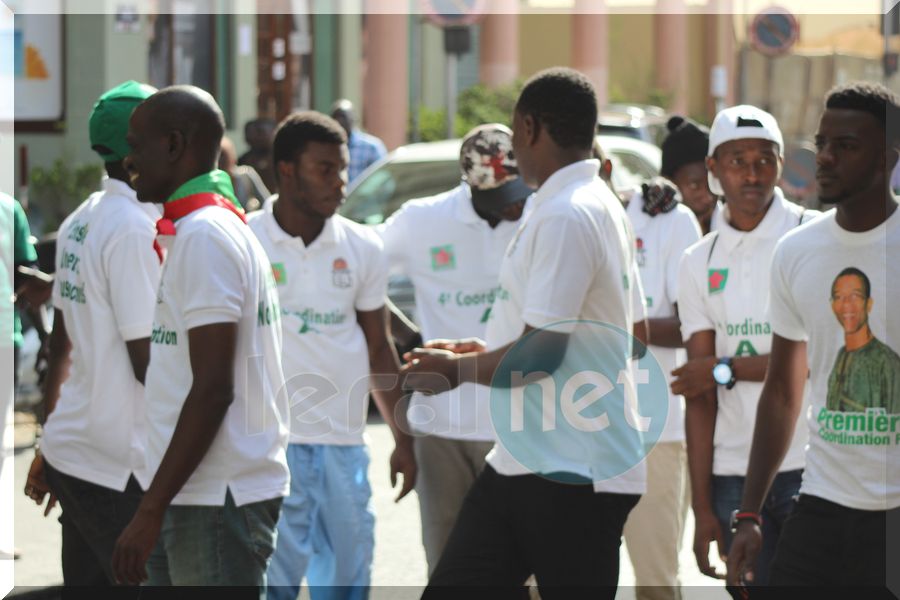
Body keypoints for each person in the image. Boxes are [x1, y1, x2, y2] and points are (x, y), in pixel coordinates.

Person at [403, 67, 644, 599]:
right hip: (525, 460)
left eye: (514, 132)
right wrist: (480, 352)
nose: (514, 147)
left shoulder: (569, 212)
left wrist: (454, 371)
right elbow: (548, 333)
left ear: (531, 127)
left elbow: (540, 354)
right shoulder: (581, 202)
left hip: (573, 467)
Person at [110, 86, 289, 592]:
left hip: (215, 500)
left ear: (172, 145)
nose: (129, 159)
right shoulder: (200, 229)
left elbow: (213, 388)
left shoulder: (206, 236)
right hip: (193, 496)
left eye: (136, 144)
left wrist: (149, 509)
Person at [727, 82, 900, 590]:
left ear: (888, 156)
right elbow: (782, 390)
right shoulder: (797, 251)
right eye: (822, 142)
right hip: (821, 504)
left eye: (845, 146)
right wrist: (749, 514)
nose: (824, 157)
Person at [248, 111, 416, 600]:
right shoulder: (247, 241)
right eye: (325, 169)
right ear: (286, 169)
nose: (340, 183)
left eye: (341, 169)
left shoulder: (363, 245)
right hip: (268, 446)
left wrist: (403, 439)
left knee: (346, 582)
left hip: (343, 444)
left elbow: (378, 345)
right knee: (271, 586)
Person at [21, 81, 161, 585]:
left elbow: (62, 345)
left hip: (77, 451)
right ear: (139, 148)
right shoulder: (132, 229)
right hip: (118, 464)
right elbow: (149, 363)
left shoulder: (84, 217)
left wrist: (49, 437)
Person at [673, 104, 818, 586]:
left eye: (764, 159)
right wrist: (701, 506)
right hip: (731, 474)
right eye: (737, 160)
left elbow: (818, 357)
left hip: (810, 466)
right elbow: (698, 391)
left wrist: (725, 367)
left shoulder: (812, 237)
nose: (752, 174)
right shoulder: (698, 260)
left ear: (781, 164)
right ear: (713, 169)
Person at [377, 123, 531, 575]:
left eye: (519, 193)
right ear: (470, 188)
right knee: (447, 565)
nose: (515, 207)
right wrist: (407, 334)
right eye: (502, 200)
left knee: (522, 566)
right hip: (440, 428)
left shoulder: (541, 215)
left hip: (518, 423)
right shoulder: (422, 219)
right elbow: (361, 275)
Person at [619, 170, 702, 599]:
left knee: (656, 582)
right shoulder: (547, 215)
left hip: (652, 431)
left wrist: (614, 326)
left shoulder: (668, 219)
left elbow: (694, 322)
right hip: (570, 429)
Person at [825, 268, 900, 413]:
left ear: (869, 304)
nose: (846, 304)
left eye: (855, 296)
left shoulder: (887, 363)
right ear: (832, 305)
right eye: (838, 297)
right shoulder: (841, 356)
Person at [660, 116, 719, 235]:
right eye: (694, 185)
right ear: (669, 182)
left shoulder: (733, 222)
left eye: (711, 183)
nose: (708, 196)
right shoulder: (656, 230)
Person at [330, 99, 387, 184]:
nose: (339, 121)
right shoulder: (328, 147)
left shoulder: (372, 147)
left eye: (343, 117)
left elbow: (382, 178)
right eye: (336, 117)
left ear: (353, 119)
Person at [220, 135, 270, 212]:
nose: (221, 161)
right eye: (218, 157)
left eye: (224, 155)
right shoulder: (212, 183)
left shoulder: (246, 175)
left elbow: (266, 201)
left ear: (233, 157)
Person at [239, 117, 278, 192]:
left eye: (260, 132)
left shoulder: (280, 160)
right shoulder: (243, 160)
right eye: (249, 133)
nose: (254, 137)